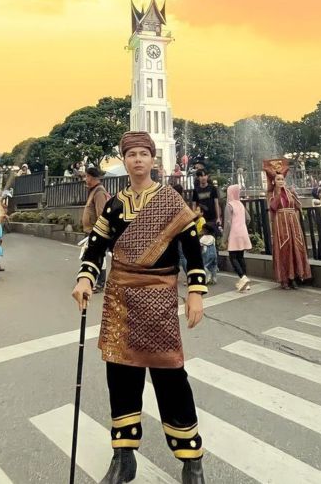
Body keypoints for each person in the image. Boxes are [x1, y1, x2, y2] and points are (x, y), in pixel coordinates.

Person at [71, 131, 207, 484]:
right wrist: (85, 278)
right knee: (121, 375)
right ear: (125, 160)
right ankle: (123, 457)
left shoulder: (170, 200)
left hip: (160, 296)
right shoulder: (115, 204)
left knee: (171, 377)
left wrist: (195, 291)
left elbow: (192, 250)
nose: (137, 160)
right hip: (120, 298)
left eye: (143, 153)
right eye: (131, 154)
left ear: (152, 160)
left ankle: (191, 458)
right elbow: (96, 247)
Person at [266, 167, 311, 289]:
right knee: (284, 249)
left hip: (293, 222)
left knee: (295, 247)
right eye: (278, 179)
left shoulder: (289, 191)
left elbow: (298, 205)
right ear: (274, 181)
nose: (281, 181)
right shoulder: (272, 193)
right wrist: (279, 193)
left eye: (282, 179)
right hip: (281, 223)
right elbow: (273, 207)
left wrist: (294, 195)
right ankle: (285, 279)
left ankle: (295, 277)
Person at [82, 167, 110, 292]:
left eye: (86, 176)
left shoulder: (99, 192)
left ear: (91, 177)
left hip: (95, 231)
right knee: (88, 256)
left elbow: (101, 214)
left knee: (99, 257)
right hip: (89, 231)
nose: (85, 179)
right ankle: (90, 280)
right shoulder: (93, 191)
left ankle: (99, 283)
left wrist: (99, 232)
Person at [224, 184, 252, 291]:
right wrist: (242, 225)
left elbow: (228, 223)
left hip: (234, 233)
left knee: (233, 257)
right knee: (241, 256)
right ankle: (245, 281)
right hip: (243, 232)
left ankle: (243, 277)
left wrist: (224, 239)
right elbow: (248, 218)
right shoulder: (240, 204)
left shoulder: (229, 205)